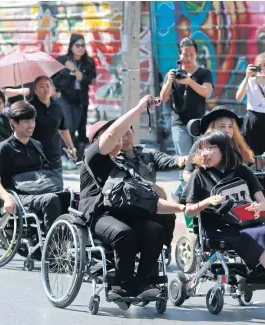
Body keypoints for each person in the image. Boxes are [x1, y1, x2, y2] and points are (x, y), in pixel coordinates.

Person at [79, 95, 186, 309]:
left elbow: (149, 201)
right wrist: (138, 108)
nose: (120, 137)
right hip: (100, 216)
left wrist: (184, 207)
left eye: (126, 134)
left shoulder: (128, 165)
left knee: (155, 230)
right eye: (117, 133)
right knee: (124, 234)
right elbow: (110, 134)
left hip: (129, 214)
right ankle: (123, 284)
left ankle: (144, 283)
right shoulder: (94, 157)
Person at [182, 130, 265, 303]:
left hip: (244, 222)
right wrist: (207, 201)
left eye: (210, 147)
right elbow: (188, 211)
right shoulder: (198, 175)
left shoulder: (241, 170)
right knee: (260, 234)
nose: (205, 153)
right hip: (218, 229)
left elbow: (263, 202)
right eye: (202, 148)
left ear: (224, 149)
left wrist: (259, 206)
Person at [0, 102, 65, 232]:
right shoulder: (4, 148)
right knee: (51, 199)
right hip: (19, 195)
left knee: (69, 196)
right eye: (26, 121)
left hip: (39, 189)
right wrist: (7, 198)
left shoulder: (36, 145)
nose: (31, 125)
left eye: (33, 120)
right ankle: (53, 243)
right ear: (13, 123)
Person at [117, 127, 187, 257]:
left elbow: (168, 160)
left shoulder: (148, 154)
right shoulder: (112, 159)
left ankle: (165, 248)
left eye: (128, 133)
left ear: (134, 133)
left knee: (169, 216)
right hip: (127, 206)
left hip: (150, 204)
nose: (125, 138)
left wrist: (182, 160)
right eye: (120, 135)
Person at [159, 37, 213, 200]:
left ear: (196, 54)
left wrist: (190, 81)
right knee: (184, 158)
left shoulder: (204, 73)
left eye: (191, 54)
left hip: (198, 123)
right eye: (185, 54)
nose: (188, 58)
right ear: (179, 55)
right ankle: (185, 193)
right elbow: (163, 98)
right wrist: (169, 81)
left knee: (200, 157)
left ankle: (183, 192)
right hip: (179, 122)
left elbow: (206, 92)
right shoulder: (173, 75)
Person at [183, 105, 254, 183]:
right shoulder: (200, 144)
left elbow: (247, 169)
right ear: (212, 128)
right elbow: (186, 174)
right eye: (222, 126)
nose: (227, 130)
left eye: (230, 126)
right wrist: (203, 183)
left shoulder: (236, 144)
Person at [53, 33, 97, 148]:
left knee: (80, 128)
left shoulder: (88, 62)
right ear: (71, 46)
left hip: (81, 100)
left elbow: (91, 80)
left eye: (83, 45)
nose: (81, 48)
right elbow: (55, 79)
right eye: (77, 45)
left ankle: (76, 152)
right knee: (68, 126)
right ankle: (64, 152)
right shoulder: (62, 60)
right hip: (65, 98)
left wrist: (75, 71)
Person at [235, 53, 265, 155]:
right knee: (251, 152)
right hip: (252, 117)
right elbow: (238, 97)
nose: (262, 68)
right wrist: (247, 76)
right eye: (259, 65)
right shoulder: (251, 81)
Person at [30, 76, 76, 176]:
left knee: (57, 188)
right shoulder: (30, 108)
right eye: (41, 86)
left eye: (48, 85)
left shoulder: (57, 108)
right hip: (34, 156)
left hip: (54, 156)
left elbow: (63, 129)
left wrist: (71, 147)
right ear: (35, 90)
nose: (45, 89)